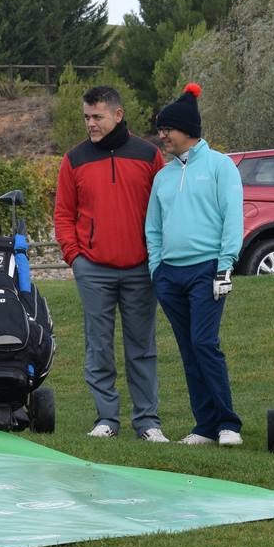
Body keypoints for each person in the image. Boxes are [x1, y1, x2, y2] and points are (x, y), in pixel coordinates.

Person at [55, 86, 170, 442]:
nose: (90, 123)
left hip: (140, 269)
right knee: (98, 347)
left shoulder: (149, 155)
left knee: (142, 348)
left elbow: (165, 209)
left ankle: (147, 422)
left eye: (97, 117)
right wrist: (76, 258)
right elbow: (63, 214)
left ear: (117, 115)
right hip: (93, 270)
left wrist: (157, 256)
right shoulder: (73, 160)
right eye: (86, 117)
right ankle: (106, 419)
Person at [144, 83, 244, 447]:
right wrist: (157, 269)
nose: (162, 135)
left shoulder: (220, 166)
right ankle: (204, 426)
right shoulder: (163, 176)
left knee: (204, 343)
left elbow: (232, 218)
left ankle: (228, 423)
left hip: (207, 271)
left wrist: (225, 265)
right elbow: (153, 228)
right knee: (189, 349)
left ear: (187, 129)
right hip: (170, 275)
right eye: (161, 129)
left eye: (167, 129)